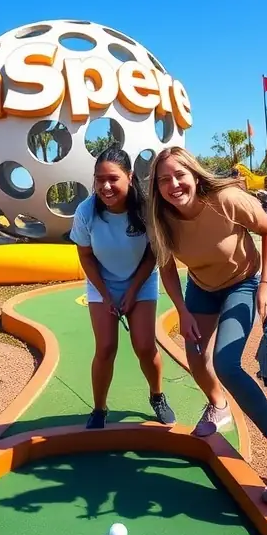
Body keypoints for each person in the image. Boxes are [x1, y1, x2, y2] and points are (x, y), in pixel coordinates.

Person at [146, 146, 267, 503]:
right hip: (201, 286)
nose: (173, 184)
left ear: (194, 174)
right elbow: (165, 265)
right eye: (164, 180)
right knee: (195, 355)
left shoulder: (226, 199)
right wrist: (183, 309)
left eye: (180, 175)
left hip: (243, 281)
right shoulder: (161, 218)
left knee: (226, 363)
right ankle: (218, 405)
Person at [70, 147, 176, 429]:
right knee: (105, 347)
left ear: (129, 177)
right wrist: (106, 294)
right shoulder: (86, 211)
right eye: (99, 179)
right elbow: (85, 256)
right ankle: (99, 408)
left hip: (140, 282)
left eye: (113, 178)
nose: (105, 186)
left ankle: (157, 396)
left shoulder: (145, 208)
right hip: (101, 283)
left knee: (144, 345)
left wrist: (131, 292)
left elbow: (153, 254)